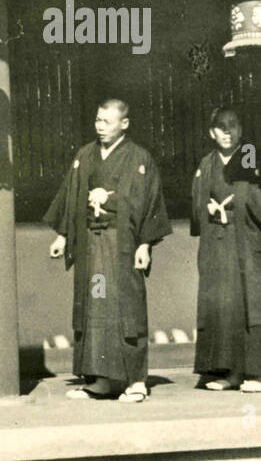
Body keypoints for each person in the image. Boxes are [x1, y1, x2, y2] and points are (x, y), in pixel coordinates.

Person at [45, 99, 171, 403]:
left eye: (107, 121)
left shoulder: (139, 158)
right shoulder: (85, 155)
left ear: (124, 124)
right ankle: (100, 379)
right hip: (91, 244)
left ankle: (136, 380)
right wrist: (63, 235)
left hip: (123, 244)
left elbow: (149, 202)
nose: (100, 126)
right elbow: (71, 196)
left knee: (127, 307)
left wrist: (145, 244)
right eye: (98, 120)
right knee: (95, 305)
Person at [191, 107, 261, 392]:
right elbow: (197, 203)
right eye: (220, 126)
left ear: (241, 130)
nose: (227, 131)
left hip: (247, 240)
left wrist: (234, 204)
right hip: (219, 242)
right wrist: (208, 207)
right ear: (211, 132)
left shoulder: (248, 155)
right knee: (225, 307)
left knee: (255, 304)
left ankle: (258, 374)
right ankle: (232, 372)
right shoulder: (206, 163)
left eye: (232, 125)